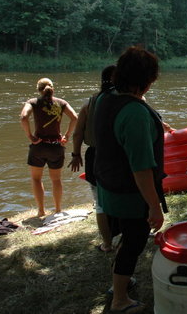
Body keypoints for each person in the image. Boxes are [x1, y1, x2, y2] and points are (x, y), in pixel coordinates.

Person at [93, 46, 168, 313]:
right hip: (129, 192)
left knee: (126, 236)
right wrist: (154, 206)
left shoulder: (106, 98)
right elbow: (141, 168)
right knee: (134, 242)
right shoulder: (135, 114)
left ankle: (119, 283)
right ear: (147, 80)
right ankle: (120, 300)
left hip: (107, 185)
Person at [68, 65, 117, 253]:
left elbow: (77, 133)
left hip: (94, 155)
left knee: (100, 202)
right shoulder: (124, 100)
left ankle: (107, 243)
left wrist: (76, 154)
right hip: (116, 156)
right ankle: (127, 234)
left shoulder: (89, 103)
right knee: (122, 195)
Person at [20, 78, 78, 217]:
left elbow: (23, 117)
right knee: (56, 179)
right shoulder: (62, 103)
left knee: (36, 179)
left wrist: (30, 136)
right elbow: (75, 117)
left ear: (38, 89)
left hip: (38, 146)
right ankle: (58, 210)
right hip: (56, 147)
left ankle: (41, 211)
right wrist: (67, 136)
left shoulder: (33, 102)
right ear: (53, 88)